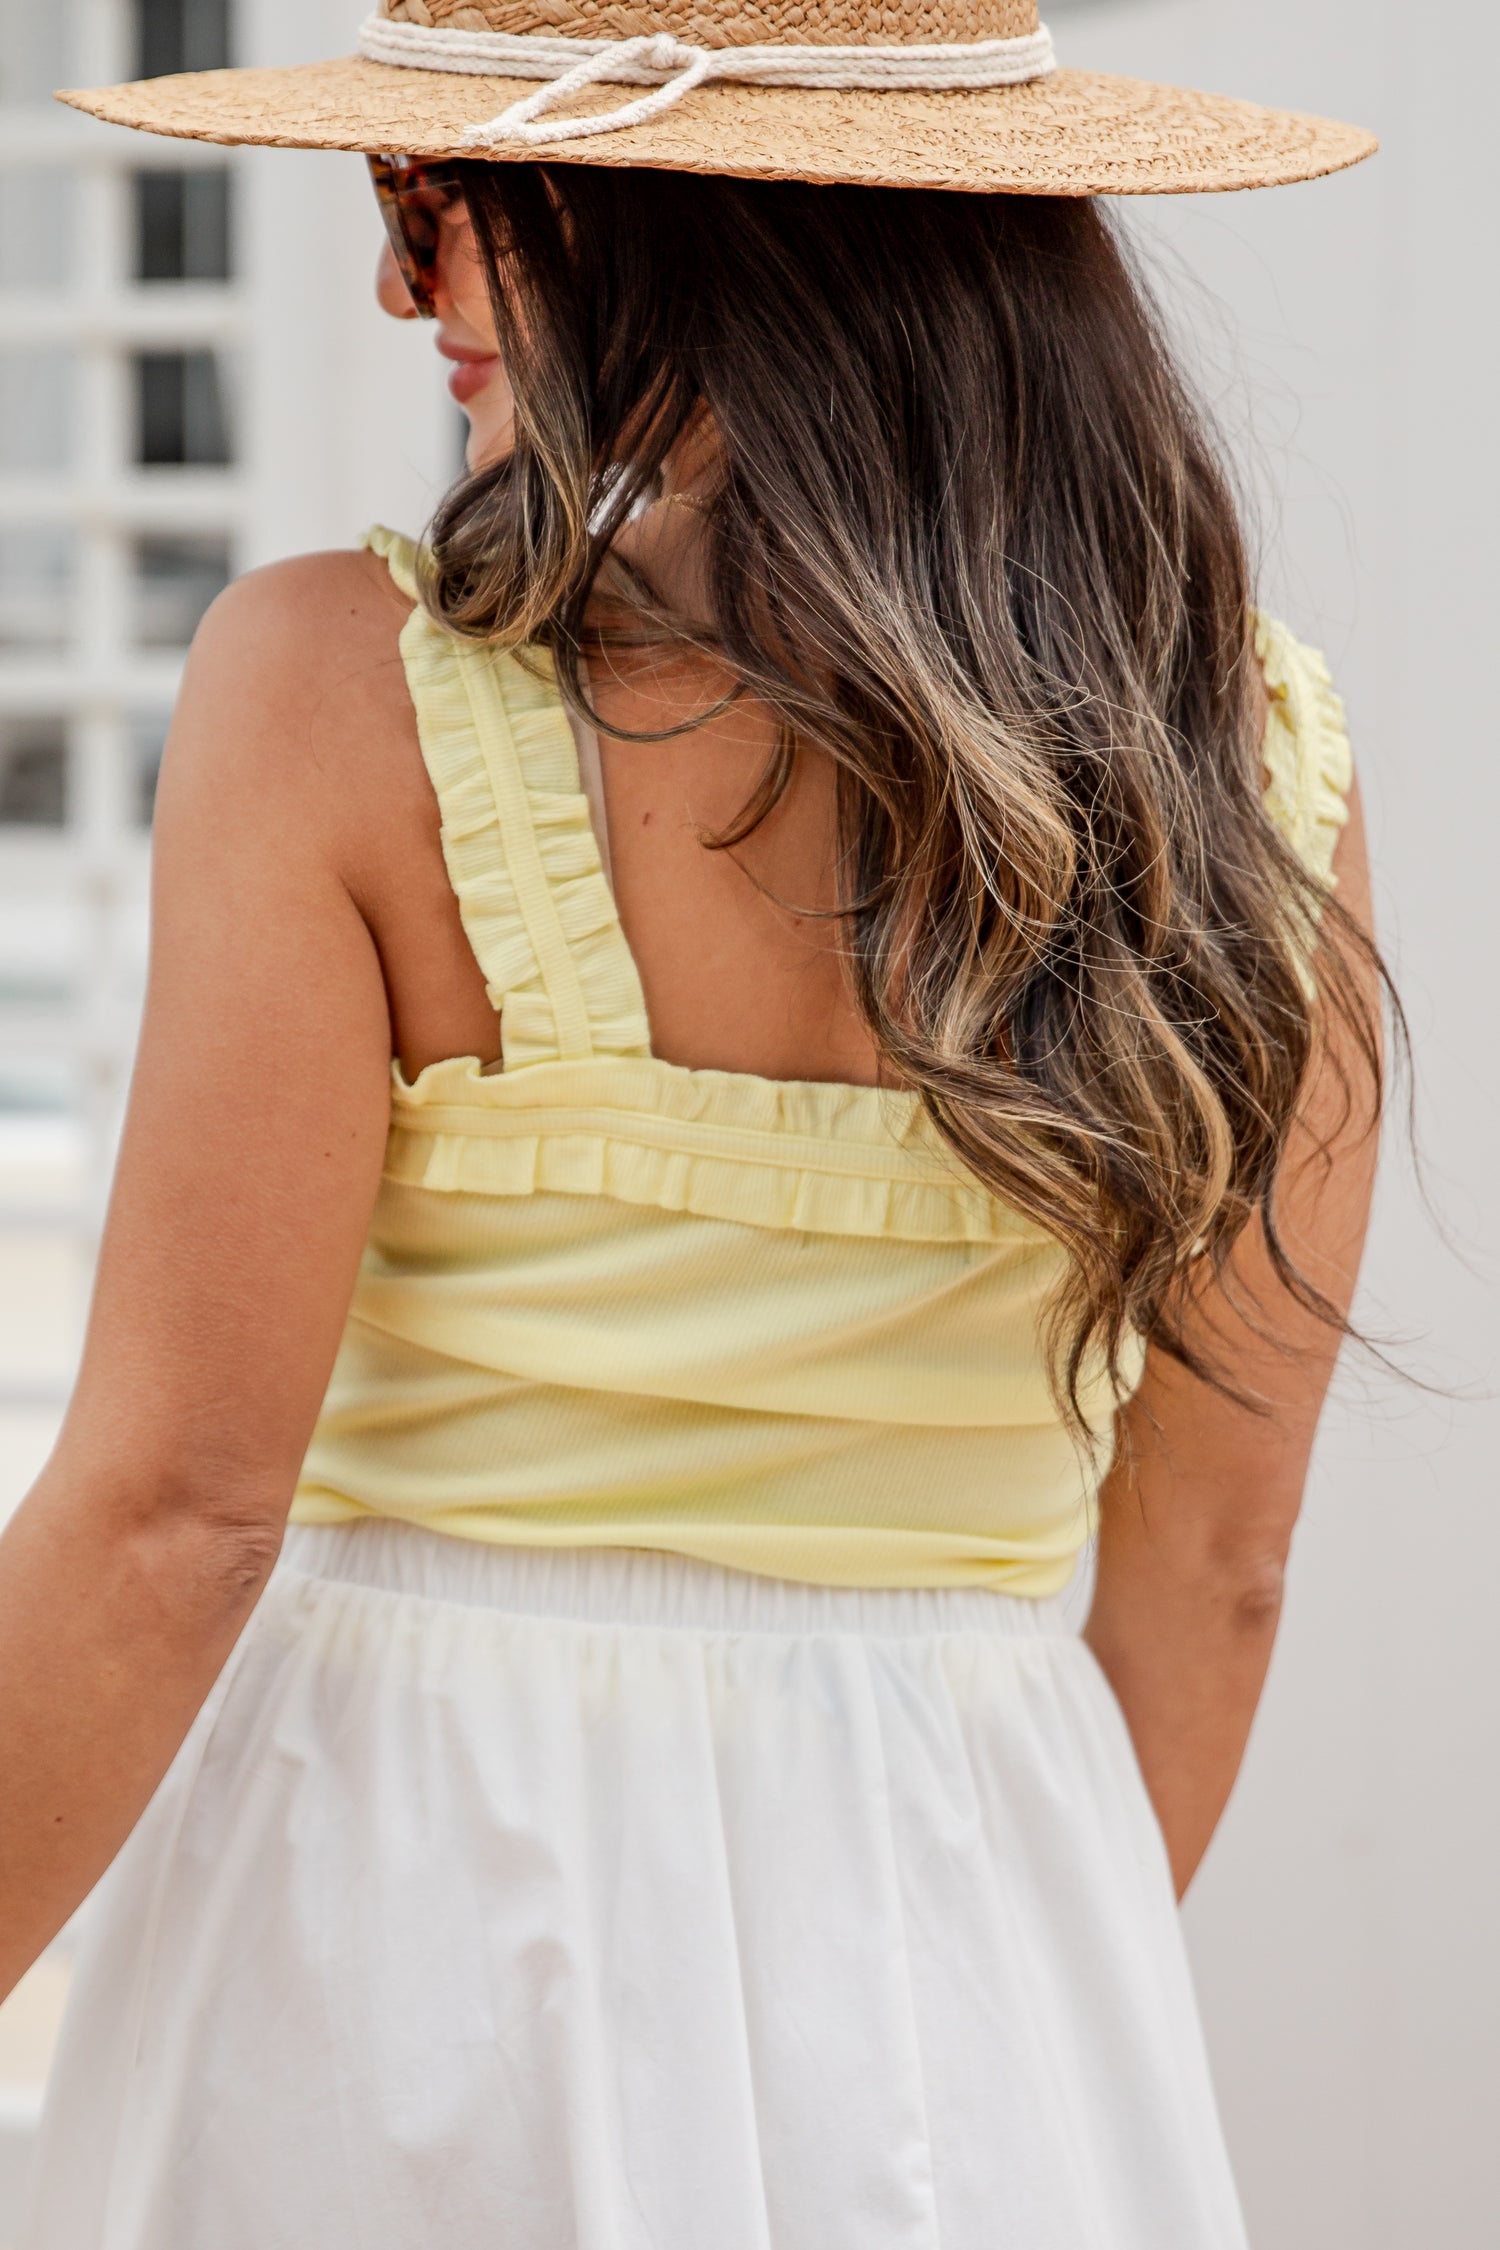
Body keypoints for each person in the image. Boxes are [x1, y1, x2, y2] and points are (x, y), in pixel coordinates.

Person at [4, 5, 1383, 2245]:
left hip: (395, 1931)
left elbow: (170, 1519)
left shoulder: (327, 696)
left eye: (435, 205)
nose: (396, 289)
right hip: (980, 1951)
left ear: (686, 214)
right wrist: (1009, 1989)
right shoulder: (1250, 772)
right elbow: (1217, 1569)